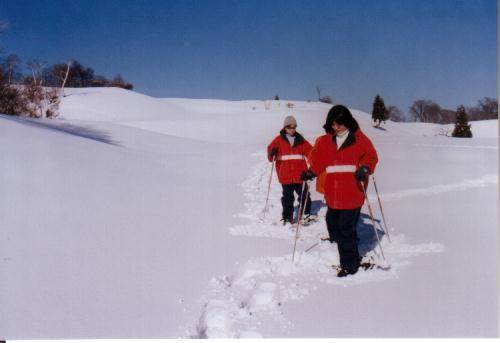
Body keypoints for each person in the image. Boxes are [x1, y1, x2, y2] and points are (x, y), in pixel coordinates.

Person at [302, 105, 378, 277]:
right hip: (333, 193)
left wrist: (365, 169)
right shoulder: (326, 141)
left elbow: (371, 156)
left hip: (352, 192)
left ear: (347, 122)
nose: (336, 128)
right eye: (333, 125)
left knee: (346, 229)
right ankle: (341, 244)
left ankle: (350, 265)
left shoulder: (360, 139)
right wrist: (311, 172)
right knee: (333, 221)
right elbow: (319, 161)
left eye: (339, 124)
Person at [267, 115, 313, 225]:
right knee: (287, 198)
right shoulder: (278, 140)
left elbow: (311, 153)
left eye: (294, 127)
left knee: (304, 194)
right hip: (286, 175)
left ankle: (306, 214)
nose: (292, 129)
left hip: (300, 174)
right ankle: (287, 217)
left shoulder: (301, 140)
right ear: (285, 127)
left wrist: (312, 168)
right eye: (290, 127)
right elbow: (270, 153)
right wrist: (271, 153)